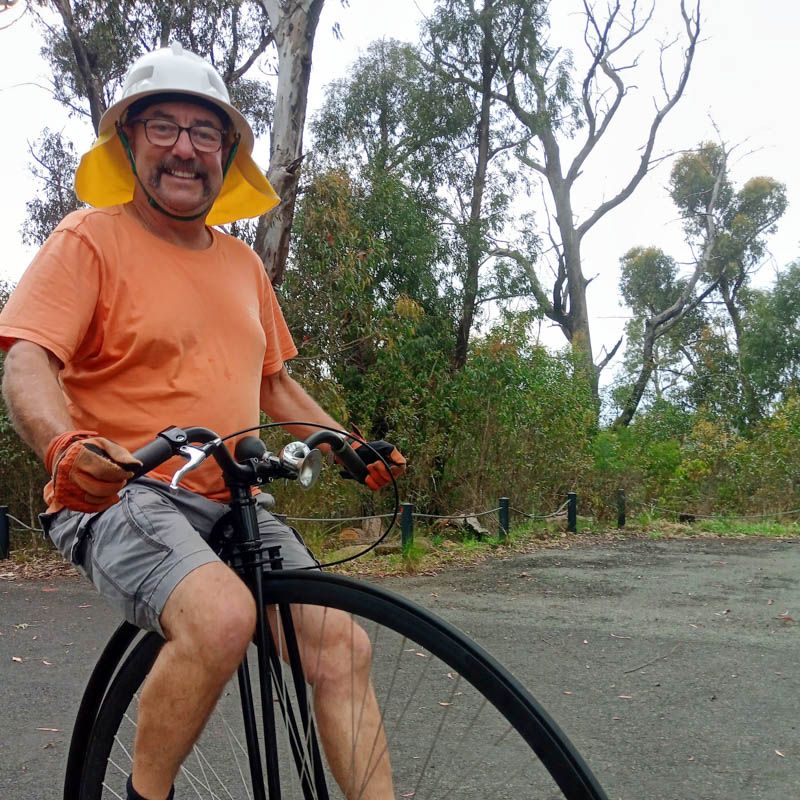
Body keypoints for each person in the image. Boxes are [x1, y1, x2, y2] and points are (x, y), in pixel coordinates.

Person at [0, 43, 406, 800]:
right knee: (222, 617)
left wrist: (347, 444)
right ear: (128, 142)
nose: (185, 148)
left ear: (227, 154)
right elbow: (27, 358)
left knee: (340, 648)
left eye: (205, 132)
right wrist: (64, 445)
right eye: (162, 126)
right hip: (124, 494)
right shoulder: (88, 239)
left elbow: (273, 384)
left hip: (234, 498)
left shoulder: (243, 266)